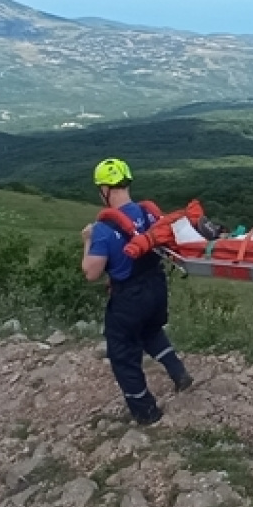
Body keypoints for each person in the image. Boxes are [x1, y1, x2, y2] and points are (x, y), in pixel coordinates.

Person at [81, 158, 193, 426]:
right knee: (150, 330)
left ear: (105, 190)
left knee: (122, 353)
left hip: (129, 297)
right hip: (157, 287)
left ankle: (146, 412)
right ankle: (178, 373)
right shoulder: (150, 215)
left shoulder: (103, 230)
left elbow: (91, 273)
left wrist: (87, 241)